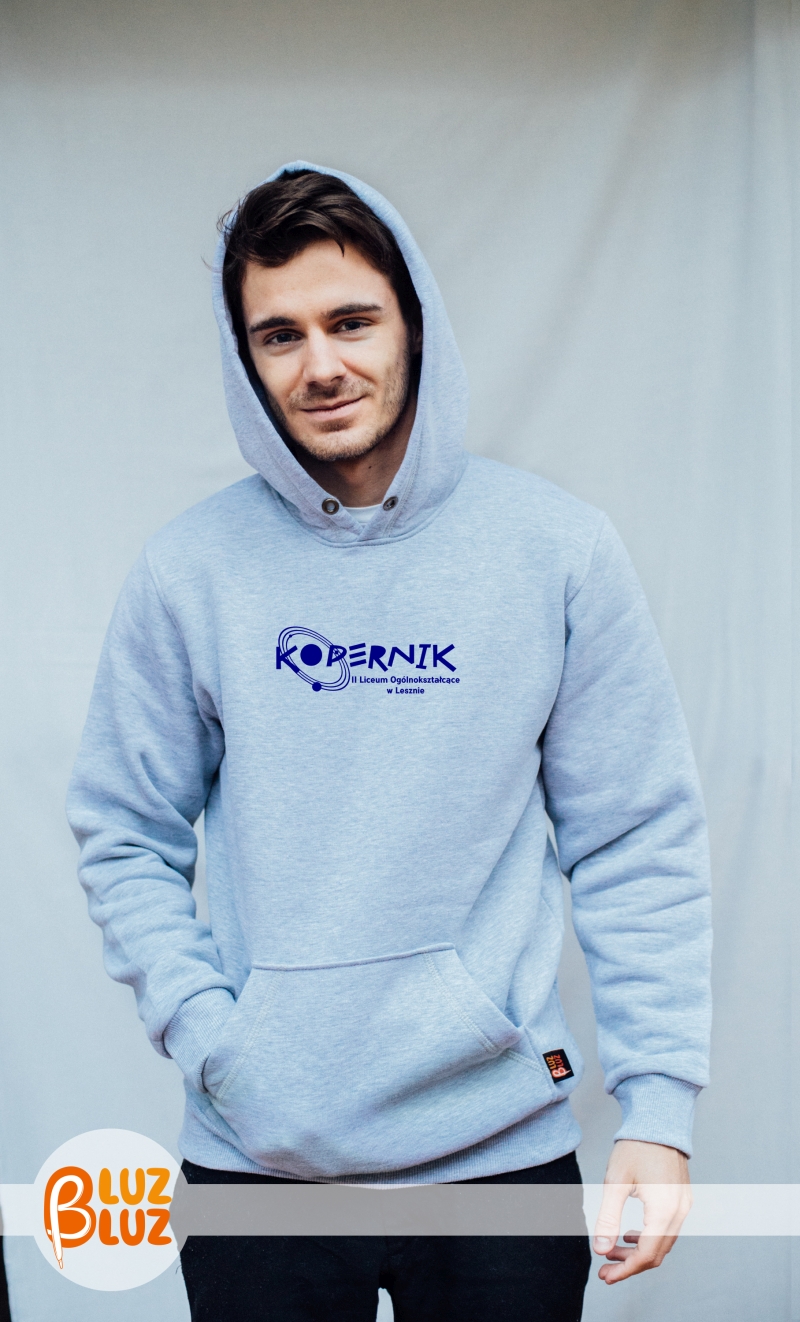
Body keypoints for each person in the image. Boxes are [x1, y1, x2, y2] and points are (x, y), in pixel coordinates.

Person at [67, 163, 711, 1320]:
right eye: (279, 335)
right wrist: (216, 1039)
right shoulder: (189, 570)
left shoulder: (556, 550)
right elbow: (123, 832)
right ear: (244, 357)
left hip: (498, 1153)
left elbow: (635, 838)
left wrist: (657, 1110)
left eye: (350, 321)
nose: (319, 365)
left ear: (412, 323)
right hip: (256, 1162)